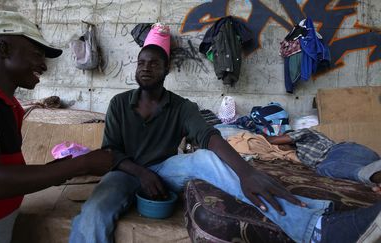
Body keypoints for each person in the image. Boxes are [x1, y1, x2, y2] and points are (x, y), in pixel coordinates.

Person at [69, 23, 381, 243]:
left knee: (206, 159)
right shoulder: (119, 103)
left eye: (154, 63)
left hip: (166, 169)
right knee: (93, 213)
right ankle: (321, 210)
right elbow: (111, 152)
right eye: (141, 63)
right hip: (125, 172)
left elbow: (208, 135)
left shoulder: (181, 106)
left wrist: (247, 172)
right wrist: (139, 173)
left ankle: (314, 228)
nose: (146, 68)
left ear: (166, 71)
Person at [0, 11, 113, 243]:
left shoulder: (10, 105)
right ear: (4, 48)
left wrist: (58, 168)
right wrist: (79, 165)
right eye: (37, 54)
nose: (43, 65)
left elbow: (5, 169)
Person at [265, 128, 381, 194]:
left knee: (323, 168)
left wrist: (254, 135)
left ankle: (374, 176)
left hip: (340, 152)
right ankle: (375, 178)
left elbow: (273, 139)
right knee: (361, 176)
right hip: (359, 154)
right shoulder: (299, 153)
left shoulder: (304, 133)